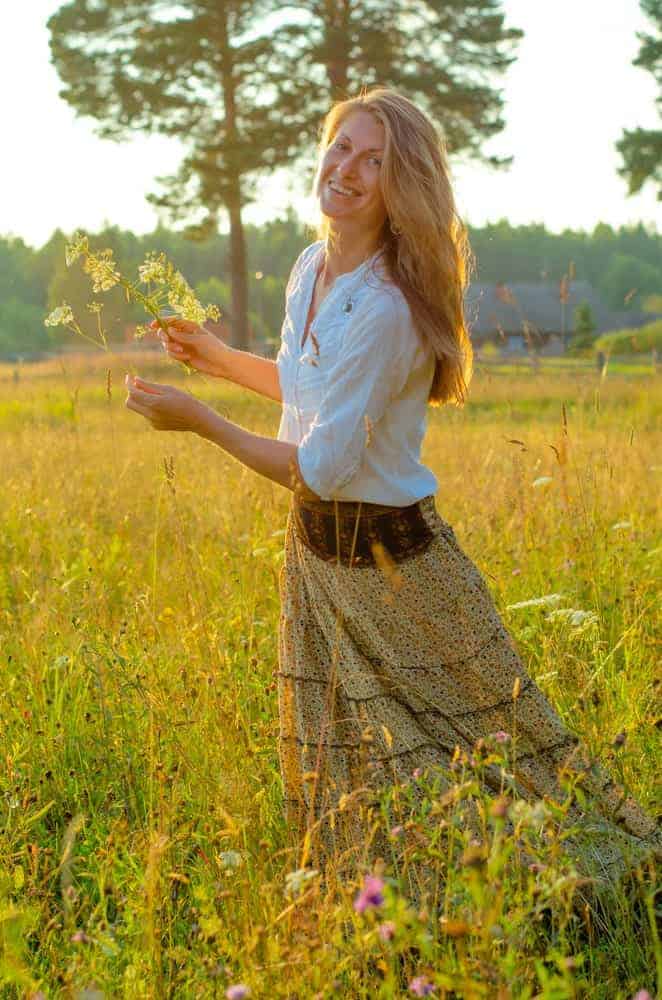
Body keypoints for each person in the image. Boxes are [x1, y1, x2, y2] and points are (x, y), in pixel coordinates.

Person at [125, 88, 660, 916]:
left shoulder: (384, 307)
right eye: (342, 146)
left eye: (374, 160)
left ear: (401, 184)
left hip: (400, 566)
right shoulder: (311, 267)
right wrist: (220, 359)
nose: (347, 170)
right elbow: (316, 398)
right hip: (318, 558)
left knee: (495, 760)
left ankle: (608, 903)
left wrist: (199, 423)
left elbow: (326, 466)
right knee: (344, 767)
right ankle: (384, 925)